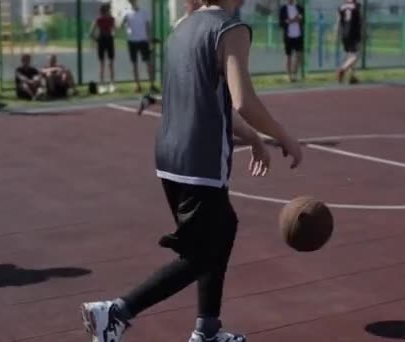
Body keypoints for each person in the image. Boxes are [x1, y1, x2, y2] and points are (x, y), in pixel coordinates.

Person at [80, 0, 303, 341]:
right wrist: (285, 136)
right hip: (200, 162)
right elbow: (243, 100)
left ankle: (208, 331)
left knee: (222, 231)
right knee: (203, 254)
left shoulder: (181, 28)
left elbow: (204, 101)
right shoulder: (231, 29)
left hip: (170, 158)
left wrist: (254, 138)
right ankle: (116, 312)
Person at [121, 0, 158, 93]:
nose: (132, 2)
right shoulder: (126, 13)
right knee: (134, 64)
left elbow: (148, 26)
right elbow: (121, 26)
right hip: (132, 41)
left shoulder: (143, 12)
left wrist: (149, 39)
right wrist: (123, 21)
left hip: (143, 41)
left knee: (148, 63)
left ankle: (152, 85)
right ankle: (138, 86)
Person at [89, 3, 116, 94]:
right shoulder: (99, 19)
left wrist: (112, 34)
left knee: (110, 63)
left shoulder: (111, 19)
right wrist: (97, 40)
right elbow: (91, 32)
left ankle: (111, 84)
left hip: (109, 40)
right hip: (102, 40)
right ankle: (101, 84)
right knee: (102, 63)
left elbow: (113, 29)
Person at [335, 0, 363, 84]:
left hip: (344, 33)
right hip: (354, 33)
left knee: (350, 55)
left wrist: (336, 33)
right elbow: (361, 20)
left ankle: (352, 77)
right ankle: (342, 69)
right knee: (355, 56)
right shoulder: (357, 6)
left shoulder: (341, 7)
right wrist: (363, 32)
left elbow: (338, 21)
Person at [279, 0, 304, 82]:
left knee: (299, 56)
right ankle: (289, 76)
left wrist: (300, 19)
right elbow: (281, 23)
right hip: (288, 36)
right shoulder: (283, 9)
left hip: (298, 35)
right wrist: (290, 20)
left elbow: (303, 20)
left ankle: (295, 74)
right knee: (288, 56)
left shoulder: (299, 8)